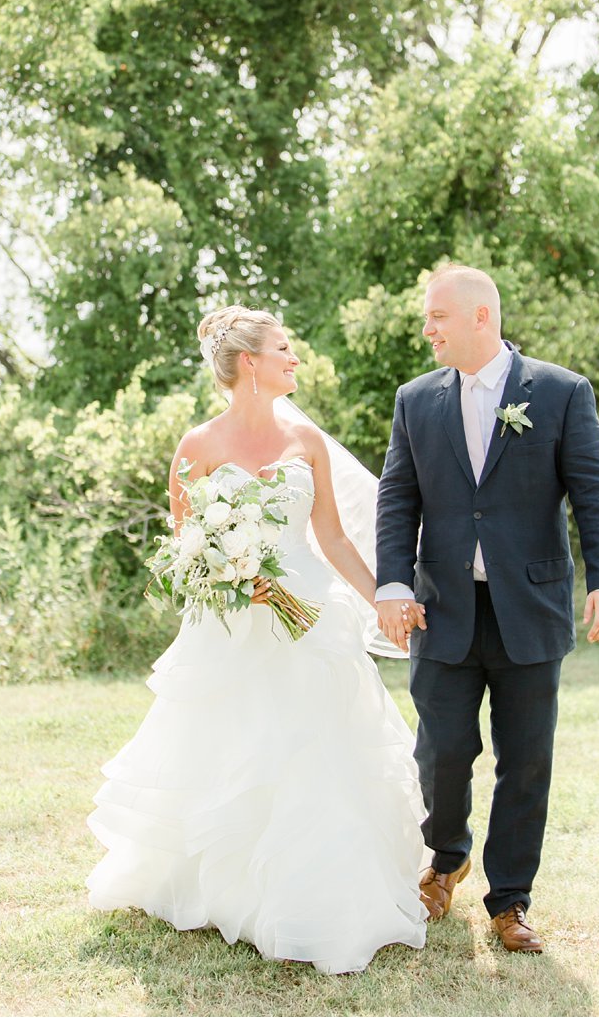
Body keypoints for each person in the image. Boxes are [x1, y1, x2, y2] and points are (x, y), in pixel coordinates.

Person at [87, 306, 428, 976]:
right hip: (233, 625)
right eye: (283, 348)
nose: (294, 358)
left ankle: (318, 893)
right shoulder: (197, 446)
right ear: (249, 362)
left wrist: (387, 596)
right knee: (231, 756)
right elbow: (186, 552)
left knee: (315, 756)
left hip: (310, 617)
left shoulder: (308, 442)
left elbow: (330, 538)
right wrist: (236, 581)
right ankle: (224, 889)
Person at [374, 264, 599, 955]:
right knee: (442, 750)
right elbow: (398, 499)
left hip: (532, 606)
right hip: (441, 608)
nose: (427, 329)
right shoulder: (415, 400)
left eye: (437, 317)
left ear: (480, 316)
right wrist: (392, 584)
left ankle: (510, 898)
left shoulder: (562, 391)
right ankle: (446, 857)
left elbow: (594, 495)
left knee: (526, 759)